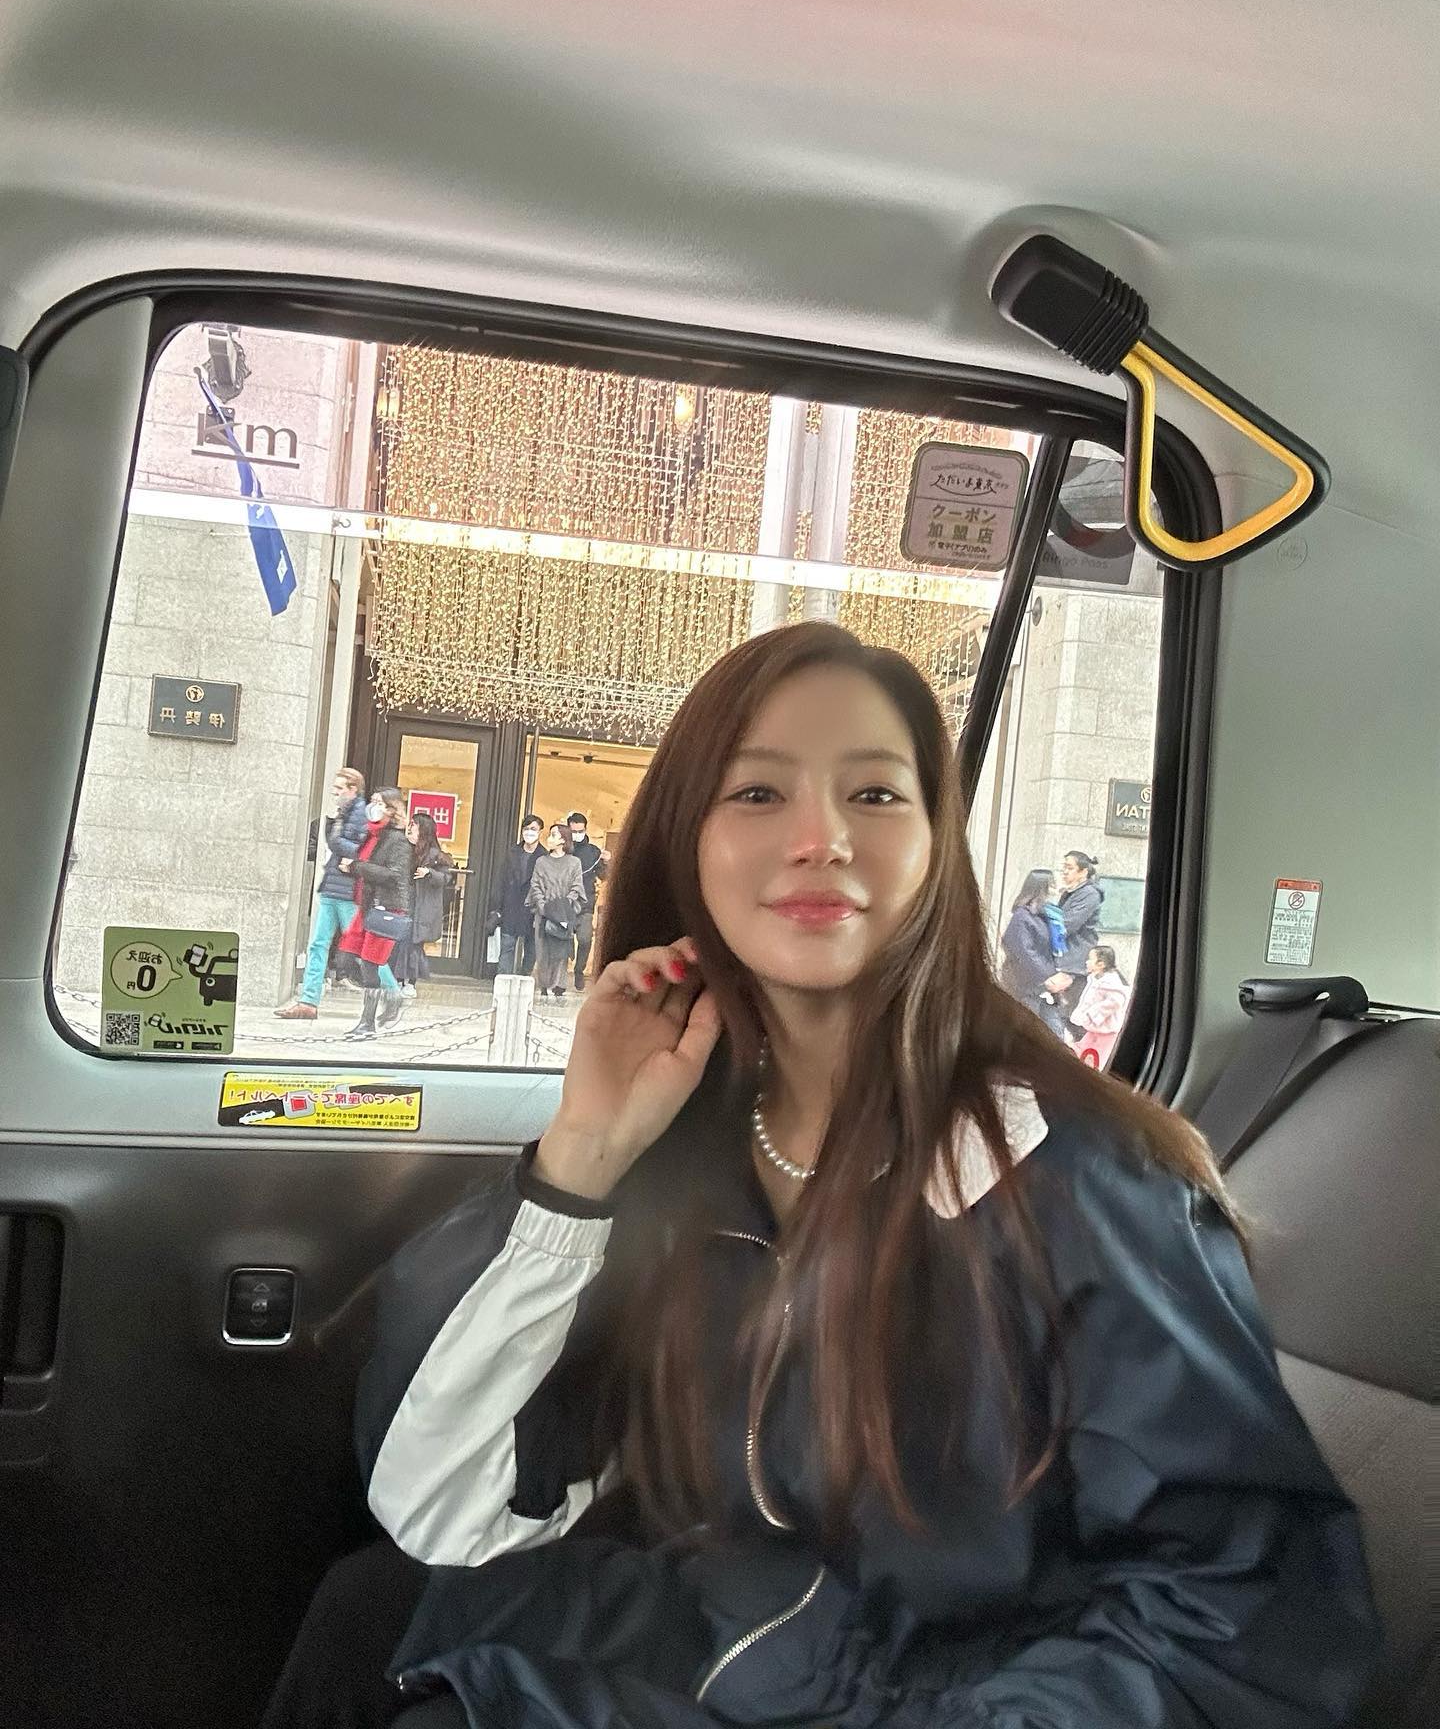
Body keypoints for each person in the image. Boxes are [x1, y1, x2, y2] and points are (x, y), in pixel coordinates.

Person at [264, 622, 1379, 1729]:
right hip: (733, 1640)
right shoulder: (689, 1153)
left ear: (936, 847)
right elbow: (444, 1506)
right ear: (687, 841)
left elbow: (1241, 1614)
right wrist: (583, 1156)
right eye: (758, 794)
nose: (821, 839)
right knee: (371, 1613)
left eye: (876, 795)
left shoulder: (1082, 1183)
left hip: (957, 1696)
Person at [275, 768, 368, 1021]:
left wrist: (336, 839)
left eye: (339, 788)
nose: (334, 792)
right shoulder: (344, 813)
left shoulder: (360, 813)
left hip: (348, 891)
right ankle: (308, 1001)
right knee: (318, 945)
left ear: (352, 789)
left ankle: (389, 993)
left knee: (362, 947)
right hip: (333, 886)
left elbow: (364, 850)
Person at [334, 788, 413, 1042]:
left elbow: (393, 875)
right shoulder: (371, 835)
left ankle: (367, 1022)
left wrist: (357, 867)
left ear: (391, 809)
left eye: (379, 803)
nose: (373, 806)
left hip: (385, 908)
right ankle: (391, 997)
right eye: (373, 801)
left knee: (370, 965)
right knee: (345, 958)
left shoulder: (398, 841)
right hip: (366, 906)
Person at [1043, 847, 1104, 1038]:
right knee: (1061, 1014)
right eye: (1064, 867)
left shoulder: (1089, 894)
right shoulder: (1070, 893)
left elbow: (1067, 924)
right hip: (1065, 958)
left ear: (1083, 872)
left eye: (1069, 868)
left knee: (1071, 1017)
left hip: (1075, 962)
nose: (1064, 872)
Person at [998, 866, 1064, 1035]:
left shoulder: (1046, 916)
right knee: (1025, 1032)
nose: (1057, 890)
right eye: (1052, 885)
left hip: (1043, 987)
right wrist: (1047, 976)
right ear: (1041, 888)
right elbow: (1024, 951)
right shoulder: (1022, 916)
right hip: (1024, 985)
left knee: (1055, 1032)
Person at [525, 822, 586, 999]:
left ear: (563, 839)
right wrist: (544, 906)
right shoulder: (541, 862)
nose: (550, 838)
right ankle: (544, 984)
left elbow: (577, 886)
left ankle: (559, 985)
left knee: (561, 949)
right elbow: (535, 885)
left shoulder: (574, 863)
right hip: (544, 912)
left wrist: (565, 905)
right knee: (543, 950)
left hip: (564, 912)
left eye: (553, 834)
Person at [396, 812, 453, 996]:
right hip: (404, 902)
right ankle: (398, 980)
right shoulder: (404, 848)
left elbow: (445, 877)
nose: (410, 828)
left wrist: (429, 873)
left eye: (415, 825)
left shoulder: (435, 854)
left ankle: (410, 982)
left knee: (414, 944)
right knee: (401, 942)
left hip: (422, 906)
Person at [488, 815, 544, 977]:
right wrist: (497, 906)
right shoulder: (512, 853)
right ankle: (503, 980)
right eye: (526, 829)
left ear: (540, 831)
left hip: (532, 908)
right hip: (511, 905)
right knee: (507, 945)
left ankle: (524, 978)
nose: (529, 832)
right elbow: (501, 880)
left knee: (531, 948)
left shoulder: (544, 856)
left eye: (533, 829)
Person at [564, 811, 610, 991]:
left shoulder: (593, 852)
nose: (577, 834)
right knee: (562, 940)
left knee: (584, 939)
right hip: (564, 904)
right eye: (573, 831)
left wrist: (607, 862)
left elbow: (604, 876)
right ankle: (560, 975)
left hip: (585, 904)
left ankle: (579, 970)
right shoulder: (562, 849)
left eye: (580, 831)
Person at [1070, 942, 1131, 1068]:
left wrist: (1093, 1014)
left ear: (1101, 964)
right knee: (1084, 1050)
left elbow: (1116, 1001)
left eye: (1090, 959)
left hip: (1105, 1029)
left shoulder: (1110, 982)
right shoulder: (1095, 979)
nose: (1086, 962)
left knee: (1098, 1057)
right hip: (1096, 1029)